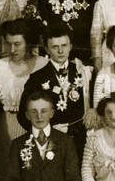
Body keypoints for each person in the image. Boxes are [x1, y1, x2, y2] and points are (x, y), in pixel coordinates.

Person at [18, 25, 93, 155]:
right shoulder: (36, 78)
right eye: (54, 47)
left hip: (82, 142)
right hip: (52, 143)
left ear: (71, 46)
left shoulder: (84, 72)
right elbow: (23, 116)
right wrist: (47, 130)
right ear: (47, 49)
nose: (60, 51)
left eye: (64, 45)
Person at [0, 18, 46, 173]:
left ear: (29, 42)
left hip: (36, 123)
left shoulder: (43, 64)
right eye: (8, 43)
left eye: (17, 44)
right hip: (5, 125)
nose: (12, 49)